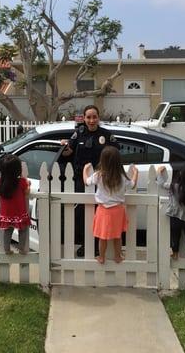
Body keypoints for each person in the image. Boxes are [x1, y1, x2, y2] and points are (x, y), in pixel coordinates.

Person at [61, 105, 119, 257]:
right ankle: (85, 244)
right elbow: (69, 152)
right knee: (82, 214)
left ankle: (96, 244)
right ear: (84, 118)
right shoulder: (78, 133)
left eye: (94, 117)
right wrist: (64, 147)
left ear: (98, 118)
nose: (91, 120)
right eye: (88, 117)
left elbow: (115, 154)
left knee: (99, 214)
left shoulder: (106, 135)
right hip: (82, 180)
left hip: (102, 181)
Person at [83, 146, 138, 264]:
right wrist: (135, 173)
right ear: (118, 161)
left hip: (103, 210)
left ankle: (101, 257)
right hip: (118, 210)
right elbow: (132, 184)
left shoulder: (99, 175)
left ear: (102, 160)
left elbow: (86, 182)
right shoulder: (122, 177)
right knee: (117, 236)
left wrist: (85, 169)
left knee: (103, 237)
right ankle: (117, 257)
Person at [0, 154, 31, 255]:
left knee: (8, 231)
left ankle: (7, 249)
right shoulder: (22, 182)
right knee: (23, 230)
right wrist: (29, 185)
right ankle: (22, 248)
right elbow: (27, 193)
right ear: (18, 169)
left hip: (6, 213)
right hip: (19, 212)